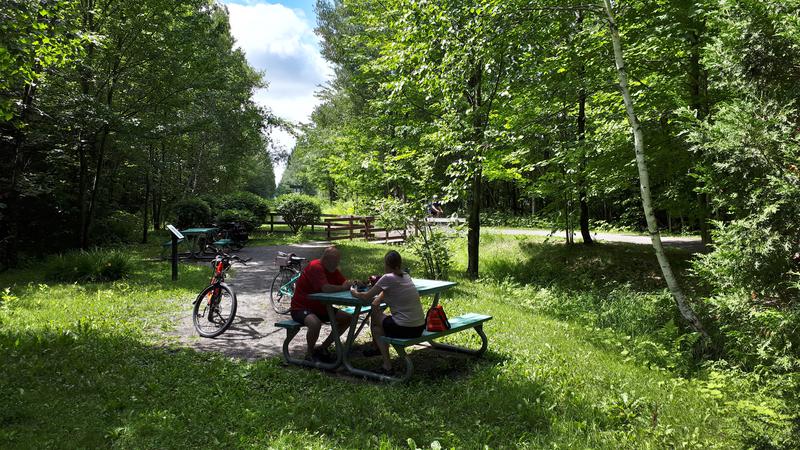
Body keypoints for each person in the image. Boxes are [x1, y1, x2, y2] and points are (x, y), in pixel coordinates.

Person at [350, 250, 424, 374]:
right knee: (377, 329)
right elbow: (385, 292)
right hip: (419, 327)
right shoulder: (406, 275)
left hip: (404, 328)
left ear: (386, 264)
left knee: (375, 318)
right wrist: (377, 300)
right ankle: (383, 360)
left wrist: (354, 292)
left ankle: (384, 360)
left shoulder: (387, 278)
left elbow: (366, 296)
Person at [290, 246, 354, 361]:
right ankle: (310, 354)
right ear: (326, 259)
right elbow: (325, 288)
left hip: (321, 308)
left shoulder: (332, 269)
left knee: (348, 318)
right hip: (300, 308)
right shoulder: (315, 266)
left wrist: (350, 284)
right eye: (335, 262)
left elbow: (344, 282)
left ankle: (323, 348)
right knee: (315, 323)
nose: (337, 264)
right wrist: (343, 287)